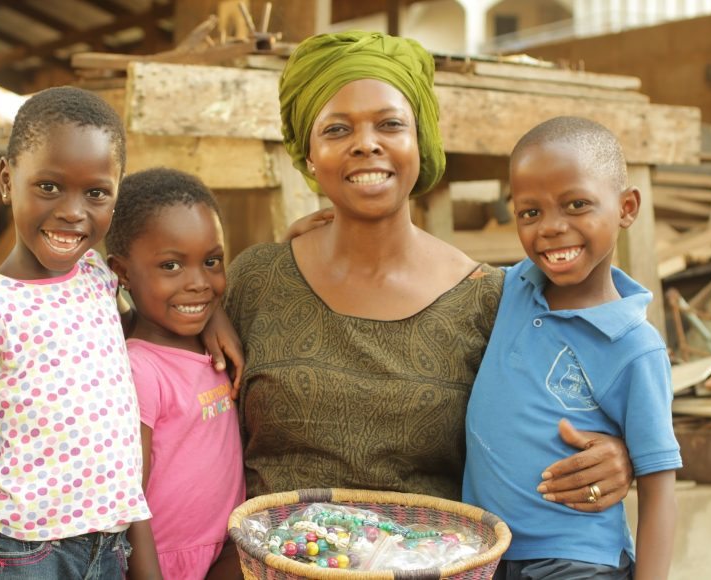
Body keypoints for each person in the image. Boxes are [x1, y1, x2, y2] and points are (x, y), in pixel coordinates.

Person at [220, 31, 634, 511]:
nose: (366, 144)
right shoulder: (259, 279)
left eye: (390, 124)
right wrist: (202, 319)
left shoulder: (489, 299)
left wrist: (621, 455)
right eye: (337, 129)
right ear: (310, 156)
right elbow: (189, 408)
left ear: (421, 142)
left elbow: (575, 400)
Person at [0, 86, 152, 579]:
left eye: (96, 193)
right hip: (24, 553)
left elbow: (148, 346)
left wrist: (216, 323)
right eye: (50, 187)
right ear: (7, 179)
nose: (72, 211)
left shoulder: (101, 281)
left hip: (110, 545)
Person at [462, 116, 681, 579]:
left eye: (576, 204)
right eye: (530, 212)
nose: (551, 228)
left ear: (626, 207)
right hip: (483, 552)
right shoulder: (513, 287)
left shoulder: (634, 347)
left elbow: (660, 487)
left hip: (576, 560)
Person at [105, 168, 246, 580]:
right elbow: (129, 499)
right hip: (162, 564)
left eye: (212, 261)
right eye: (171, 265)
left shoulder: (211, 340)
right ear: (123, 272)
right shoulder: (139, 370)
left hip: (223, 552)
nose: (199, 283)